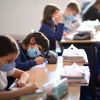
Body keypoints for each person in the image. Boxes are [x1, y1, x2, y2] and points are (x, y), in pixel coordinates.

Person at [0, 35, 37, 99]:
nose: (12, 64)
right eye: (9, 61)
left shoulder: (2, 67)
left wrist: (22, 81)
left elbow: (24, 74)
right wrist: (23, 91)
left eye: (13, 61)